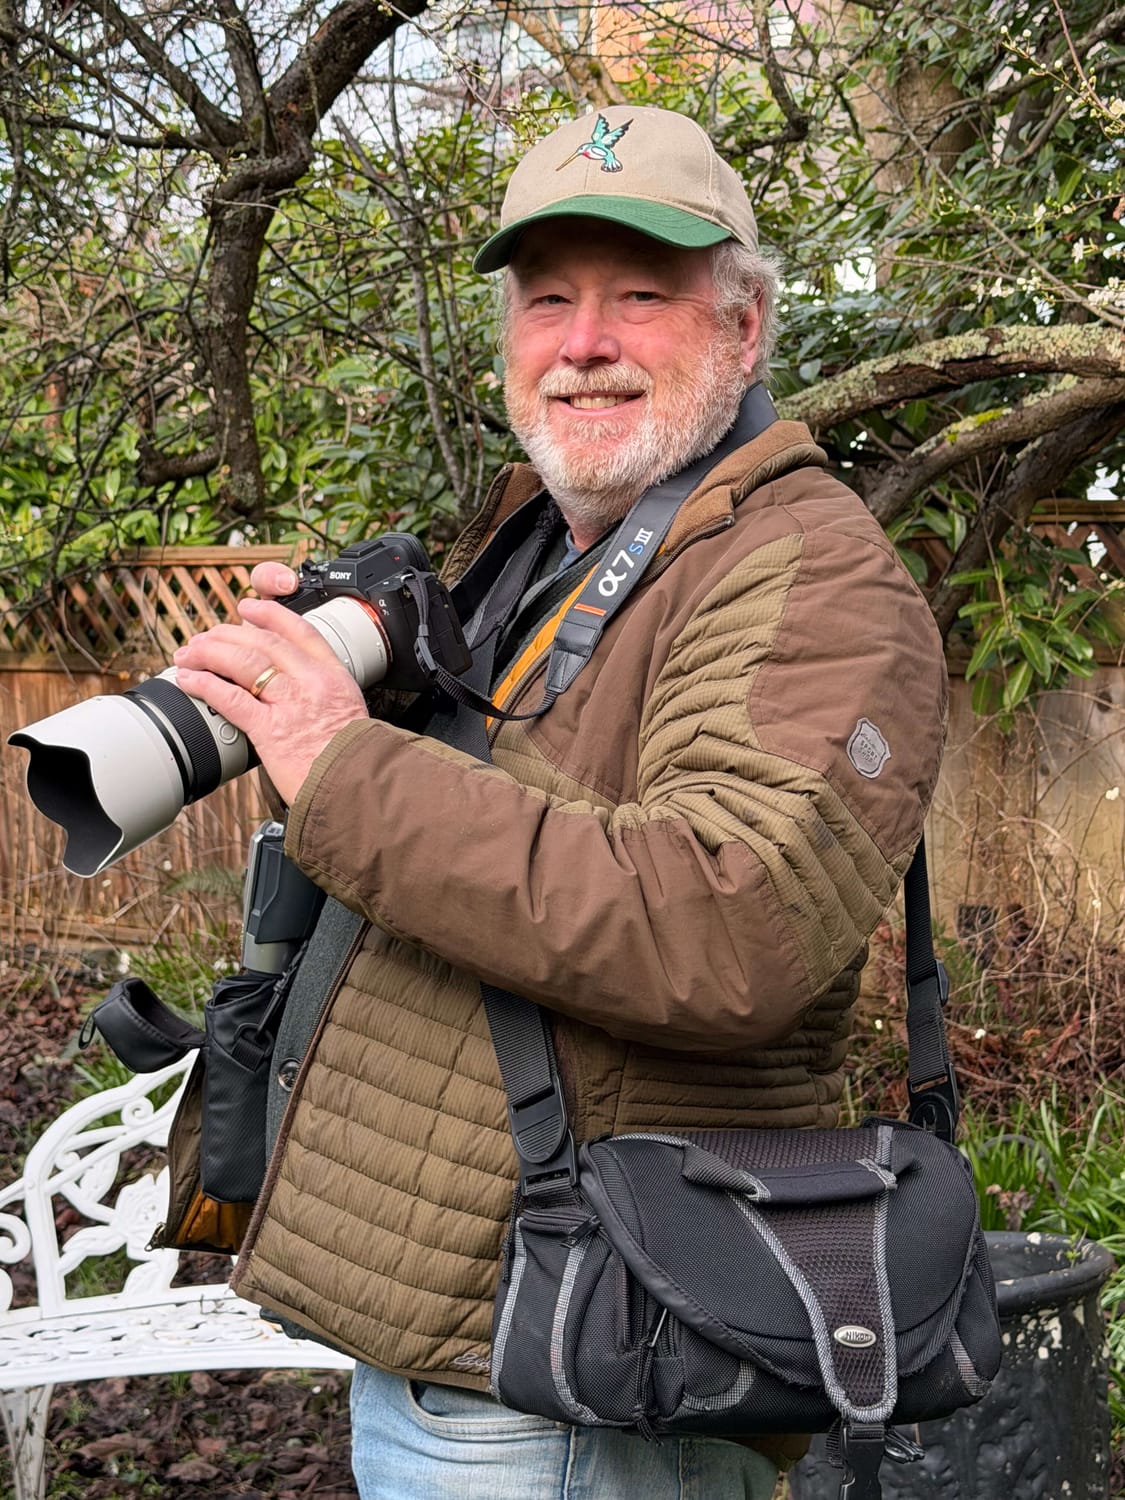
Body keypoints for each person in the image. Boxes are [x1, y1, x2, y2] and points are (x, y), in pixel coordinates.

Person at [172, 106, 947, 1500]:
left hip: (582, 1374)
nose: (582, 343)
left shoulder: (811, 578)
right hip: (469, 1349)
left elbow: (731, 922)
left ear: (746, 330)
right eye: (547, 301)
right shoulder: (548, 553)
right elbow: (511, 815)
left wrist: (347, 761)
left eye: (639, 296)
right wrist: (379, 690)